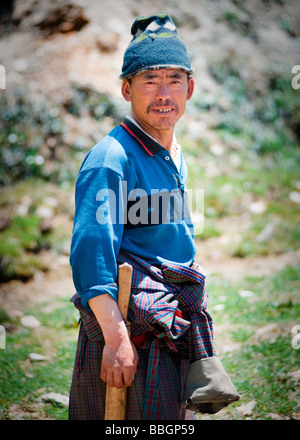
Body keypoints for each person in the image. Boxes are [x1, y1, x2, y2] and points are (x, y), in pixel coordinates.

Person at [69, 13, 239, 420]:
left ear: (190, 88)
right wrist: (116, 340)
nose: (164, 93)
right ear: (127, 89)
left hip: (173, 323)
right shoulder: (110, 159)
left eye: (174, 79)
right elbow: (92, 262)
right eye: (150, 80)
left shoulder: (174, 153)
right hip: (130, 328)